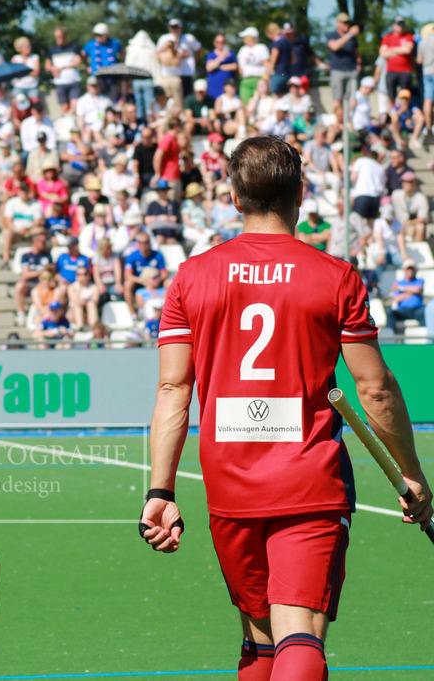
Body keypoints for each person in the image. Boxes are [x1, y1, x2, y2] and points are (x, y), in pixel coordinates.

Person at [142, 135, 432, 680]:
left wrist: (161, 492)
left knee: (260, 640)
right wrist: (411, 471)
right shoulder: (335, 275)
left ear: (234, 198)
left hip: (229, 485)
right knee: (298, 631)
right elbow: (374, 389)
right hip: (309, 480)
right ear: (300, 193)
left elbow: (172, 391)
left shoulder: (192, 276)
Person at [46, 27, 84, 115]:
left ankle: (68, 119)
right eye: (56, 37)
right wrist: (53, 69)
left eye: (60, 37)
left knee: (74, 106)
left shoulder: (74, 47)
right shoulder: (52, 50)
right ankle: (66, 121)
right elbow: (47, 66)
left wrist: (62, 67)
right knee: (64, 107)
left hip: (73, 80)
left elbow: (77, 62)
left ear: (65, 36)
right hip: (60, 82)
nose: (57, 39)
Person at [327, 13, 361, 108]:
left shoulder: (353, 38)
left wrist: (359, 64)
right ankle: (339, 117)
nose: (347, 25)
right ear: (338, 23)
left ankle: (349, 117)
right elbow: (334, 46)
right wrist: (349, 34)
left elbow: (357, 53)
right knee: (338, 100)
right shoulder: (332, 35)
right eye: (344, 23)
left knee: (351, 100)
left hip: (352, 70)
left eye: (348, 23)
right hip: (338, 71)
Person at [381, 16, 415, 102]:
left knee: (405, 97)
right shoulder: (387, 38)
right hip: (391, 71)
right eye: (399, 24)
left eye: (402, 24)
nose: (401, 26)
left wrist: (391, 49)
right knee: (391, 97)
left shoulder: (408, 36)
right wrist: (401, 49)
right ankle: (393, 111)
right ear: (393, 25)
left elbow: (408, 50)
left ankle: (403, 110)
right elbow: (383, 54)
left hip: (405, 71)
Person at [237, 26, 269, 105]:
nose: (243, 39)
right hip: (245, 80)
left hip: (259, 79)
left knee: (259, 103)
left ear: (251, 37)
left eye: (245, 37)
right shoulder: (242, 50)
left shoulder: (261, 47)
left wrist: (265, 79)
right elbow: (240, 68)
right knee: (245, 103)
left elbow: (266, 65)